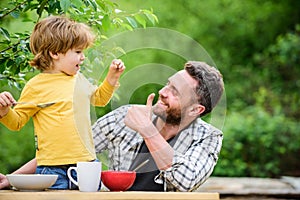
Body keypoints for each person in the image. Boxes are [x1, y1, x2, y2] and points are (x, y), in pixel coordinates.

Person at [0, 61, 223, 192]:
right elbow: (66, 150)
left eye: (176, 92)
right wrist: (11, 178)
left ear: (196, 110)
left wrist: (147, 130)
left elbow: (186, 180)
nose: (164, 92)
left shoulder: (209, 137)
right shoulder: (124, 116)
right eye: (168, 84)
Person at [0, 16, 125, 189]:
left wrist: (112, 78)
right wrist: (4, 110)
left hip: (86, 165)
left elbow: (100, 99)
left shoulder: (79, 80)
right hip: (51, 170)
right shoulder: (36, 86)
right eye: (78, 52)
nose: (83, 58)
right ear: (55, 53)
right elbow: (17, 122)